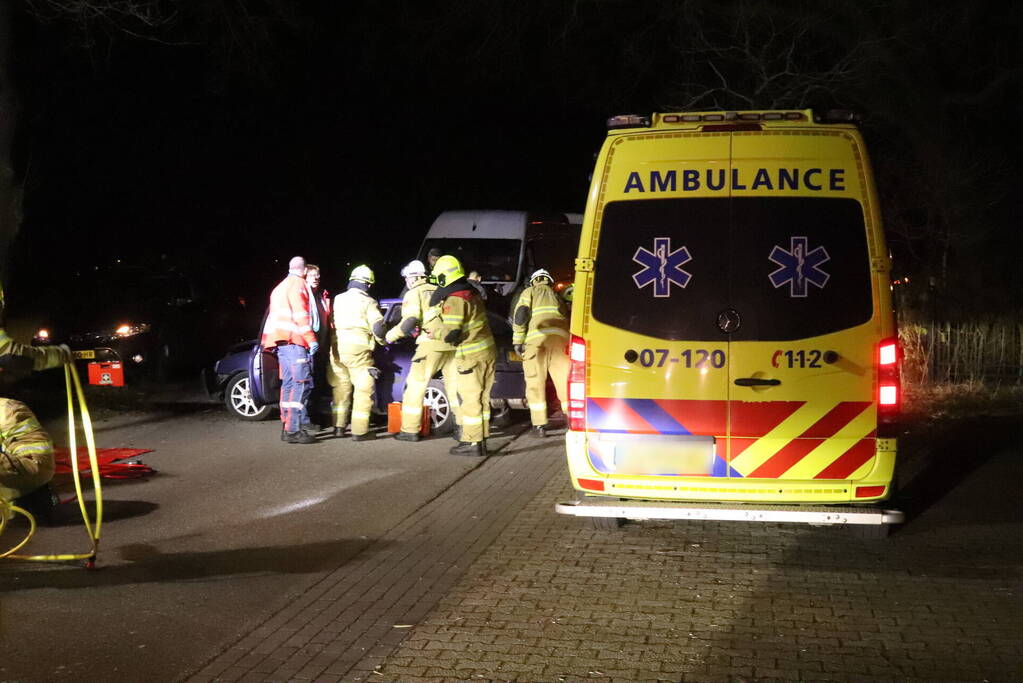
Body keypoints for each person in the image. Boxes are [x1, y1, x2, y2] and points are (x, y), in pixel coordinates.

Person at [424, 255, 495, 456]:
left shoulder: (455, 300)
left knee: (470, 399)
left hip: (471, 356)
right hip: (486, 352)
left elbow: (452, 333)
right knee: (482, 399)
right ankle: (481, 440)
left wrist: (435, 332)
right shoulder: (471, 293)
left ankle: (472, 443)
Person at [387, 260, 461, 442]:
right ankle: (462, 428)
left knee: (415, 385)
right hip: (451, 344)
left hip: (431, 344)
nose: (406, 282)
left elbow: (410, 321)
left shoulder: (414, 293)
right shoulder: (438, 289)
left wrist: (390, 336)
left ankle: (410, 430)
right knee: (455, 388)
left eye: (406, 278)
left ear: (413, 278)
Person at [262, 256, 319, 445]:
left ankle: (287, 427)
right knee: (300, 384)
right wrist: (311, 339)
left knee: (287, 386)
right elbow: (301, 314)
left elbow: (271, 319)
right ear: (303, 271)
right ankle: (294, 430)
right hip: (295, 342)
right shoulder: (298, 284)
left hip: (281, 344)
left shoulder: (279, 287)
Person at [328, 265, 386, 441]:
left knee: (341, 387)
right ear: (368, 284)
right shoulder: (368, 302)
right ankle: (360, 431)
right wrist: (384, 340)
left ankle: (338, 427)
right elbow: (378, 326)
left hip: (337, 349)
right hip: (358, 351)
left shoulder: (338, 299)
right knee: (363, 388)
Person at [512, 269, 570, 437]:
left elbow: (521, 316)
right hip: (560, 343)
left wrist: (517, 341)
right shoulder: (557, 296)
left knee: (535, 383)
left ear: (534, 281)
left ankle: (539, 426)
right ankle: (571, 421)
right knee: (564, 382)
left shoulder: (529, 292)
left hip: (537, 343)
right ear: (549, 281)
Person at [305, 264, 331, 428]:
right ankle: (305, 419)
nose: (315, 278)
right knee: (306, 384)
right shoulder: (304, 296)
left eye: (317, 275)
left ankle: (315, 415)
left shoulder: (321, 296)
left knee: (318, 384)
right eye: (311, 275)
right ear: (305, 277)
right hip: (307, 347)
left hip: (321, 347)